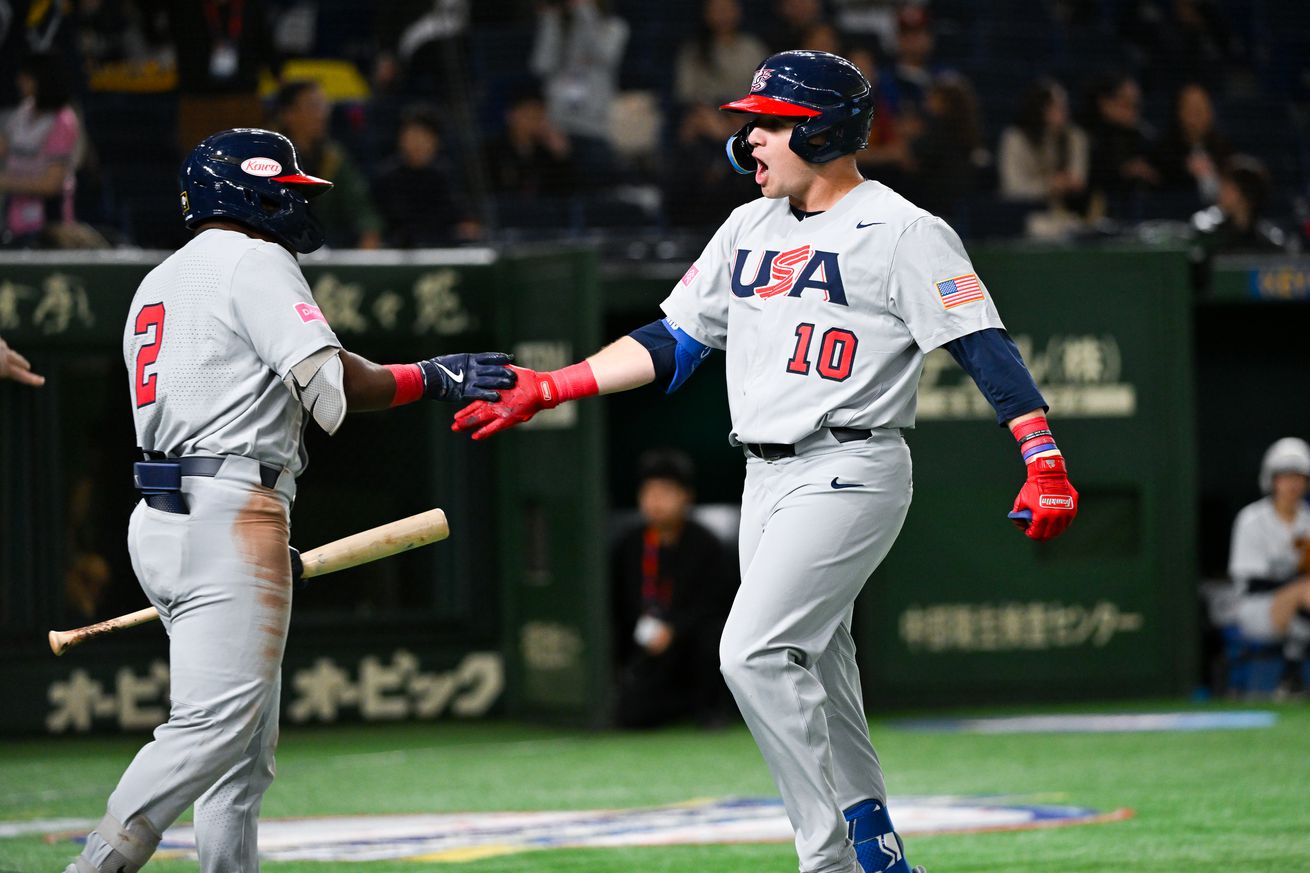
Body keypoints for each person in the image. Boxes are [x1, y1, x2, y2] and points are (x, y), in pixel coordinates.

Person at [452, 50, 1079, 873]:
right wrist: (554, 386)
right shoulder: (748, 225)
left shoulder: (904, 229)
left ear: (820, 132)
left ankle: (829, 860)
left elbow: (981, 344)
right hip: (765, 473)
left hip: (852, 464)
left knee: (748, 651)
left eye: (767, 125)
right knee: (822, 659)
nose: (748, 141)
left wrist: (1042, 455)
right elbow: (673, 341)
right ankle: (877, 848)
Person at [62, 128, 514, 873]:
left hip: (166, 515)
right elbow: (333, 384)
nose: (294, 204)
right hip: (230, 513)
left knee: (241, 754)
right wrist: (433, 375)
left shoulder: (160, 277)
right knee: (212, 730)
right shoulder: (256, 259)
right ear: (245, 191)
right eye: (284, 188)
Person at [611, 449, 736, 728]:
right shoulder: (629, 545)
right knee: (632, 713)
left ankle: (709, 709)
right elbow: (620, 603)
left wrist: (675, 629)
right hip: (646, 645)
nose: (655, 502)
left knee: (712, 639)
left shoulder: (705, 544)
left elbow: (716, 602)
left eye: (665, 492)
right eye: (649, 493)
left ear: (685, 496)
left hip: (690, 642)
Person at [1228, 437, 1310, 695]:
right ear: (1272, 480)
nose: (1293, 484)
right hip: (1257, 607)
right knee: (1305, 590)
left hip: (1303, 604)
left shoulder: (1308, 521)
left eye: (1299, 476)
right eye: (1285, 476)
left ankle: (1291, 675)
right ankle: (1291, 673)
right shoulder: (1251, 519)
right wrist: (1298, 579)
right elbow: (1253, 582)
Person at [273, 79, 383, 249]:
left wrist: (369, 239)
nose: (323, 114)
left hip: (328, 252)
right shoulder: (267, 159)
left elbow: (363, 212)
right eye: (313, 106)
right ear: (289, 114)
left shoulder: (334, 158)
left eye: (324, 106)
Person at [529, 0, 628, 185]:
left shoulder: (614, 27)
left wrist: (584, 10)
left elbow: (604, 54)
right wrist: (549, 20)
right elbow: (541, 65)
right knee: (556, 195)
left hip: (593, 130)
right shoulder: (560, 26)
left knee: (595, 195)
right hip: (558, 130)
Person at [0, 51, 82, 247]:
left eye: (26, 77)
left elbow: (51, 184)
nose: (19, 81)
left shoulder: (63, 120)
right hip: (15, 223)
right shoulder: (23, 112)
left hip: (49, 226)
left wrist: (4, 182)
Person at [373, 103, 481, 247]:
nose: (417, 142)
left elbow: (466, 218)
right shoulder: (387, 176)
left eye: (424, 136)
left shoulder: (448, 174)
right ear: (400, 139)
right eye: (412, 134)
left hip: (443, 250)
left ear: (436, 141)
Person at [997, 78, 1089, 237]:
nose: (1064, 113)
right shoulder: (1015, 139)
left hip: (1067, 216)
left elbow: (1077, 179)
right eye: (1056, 108)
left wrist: (1068, 183)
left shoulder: (1074, 137)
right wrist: (1049, 185)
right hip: (1024, 218)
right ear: (1039, 109)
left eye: (1064, 107)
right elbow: (1013, 188)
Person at [1085, 73, 1158, 215]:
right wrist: (1125, 171)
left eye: (1136, 104)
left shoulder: (1143, 135)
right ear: (1105, 103)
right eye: (1126, 103)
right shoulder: (1087, 135)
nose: (1134, 111)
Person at [675, 0, 769, 108]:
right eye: (717, 10)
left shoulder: (752, 47)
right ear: (706, 14)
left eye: (727, 9)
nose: (722, 15)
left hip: (746, 110)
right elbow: (686, 93)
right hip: (706, 113)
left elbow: (765, 88)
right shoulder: (693, 50)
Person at [1151, 82, 1232, 203]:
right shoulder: (1163, 151)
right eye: (1191, 109)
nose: (1198, 115)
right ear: (1179, 112)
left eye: (1202, 108)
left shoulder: (1224, 149)